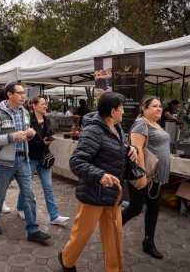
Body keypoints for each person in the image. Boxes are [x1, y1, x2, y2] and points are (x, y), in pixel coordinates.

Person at [59, 92, 138, 271]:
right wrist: (100, 174)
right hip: (93, 193)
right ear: (112, 111)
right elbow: (76, 162)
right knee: (82, 235)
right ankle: (66, 260)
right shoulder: (93, 131)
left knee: (115, 237)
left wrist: (131, 149)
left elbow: (119, 149)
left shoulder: (118, 128)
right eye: (121, 108)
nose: (124, 112)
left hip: (113, 194)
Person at [0, 82, 50, 243]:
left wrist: (30, 133)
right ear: (10, 95)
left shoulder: (25, 112)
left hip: (23, 159)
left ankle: (33, 230)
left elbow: (25, 134)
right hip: (4, 162)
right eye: (20, 93)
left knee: (29, 195)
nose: (24, 96)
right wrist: (13, 136)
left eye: (24, 93)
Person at [122, 97, 171, 259]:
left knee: (154, 208)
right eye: (154, 106)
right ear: (144, 108)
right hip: (145, 175)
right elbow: (137, 150)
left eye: (160, 106)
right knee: (135, 208)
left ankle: (148, 242)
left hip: (156, 175)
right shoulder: (141, 124)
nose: (159, 108)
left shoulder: (156, 124)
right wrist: (142, 175)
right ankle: (112, 227)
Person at [17, 96, 69, 225]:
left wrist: (48, 140)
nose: (45, 106)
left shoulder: (46, 120)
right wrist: (42, 142)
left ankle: (54, 216)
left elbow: (47, 135)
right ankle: (20, 207)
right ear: (34, 106)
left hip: (44, 158)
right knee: (27, 186)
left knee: (48, 187)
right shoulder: (28, 120)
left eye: (46, 104)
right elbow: (27, 139)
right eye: (43, 104)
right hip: (31, 158)